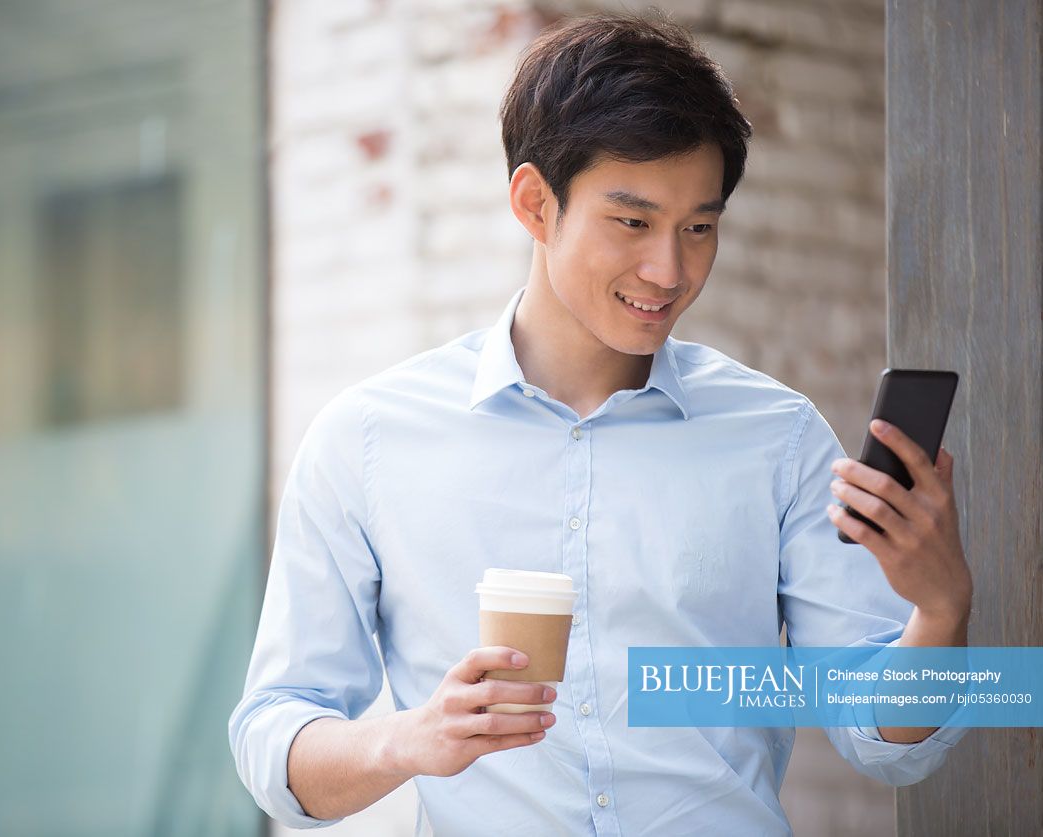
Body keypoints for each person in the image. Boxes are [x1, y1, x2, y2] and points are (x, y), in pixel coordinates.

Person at [228, 10, 972, 836]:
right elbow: (273, 741)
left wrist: (937, 611)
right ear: (534, 202)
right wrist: (409, 739)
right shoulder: (366, 440)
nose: (670, 269)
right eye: (632, 222)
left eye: (699, 227)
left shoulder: (775, 436)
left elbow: (886, 741)